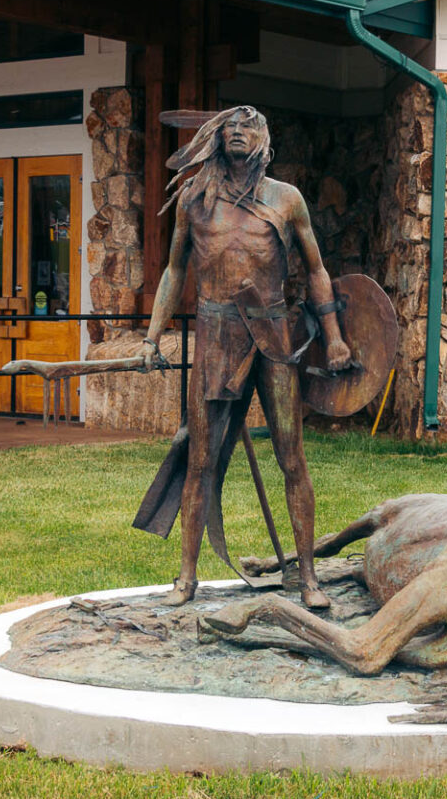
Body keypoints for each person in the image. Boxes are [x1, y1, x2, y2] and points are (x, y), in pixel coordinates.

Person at [140, 106, 351, 610]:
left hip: (273, 335)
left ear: (264, 138)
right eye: (230, 127)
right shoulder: (195, 200)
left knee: (291, 457)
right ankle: (186, 576)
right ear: (215, 138)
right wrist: (152, 336)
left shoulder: (286, 199)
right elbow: (173, 271)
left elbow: (317, 270)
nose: (238, 133)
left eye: (248, 126)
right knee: (201, 461)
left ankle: (307, 578)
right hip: (215, 335)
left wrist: (335, 336)